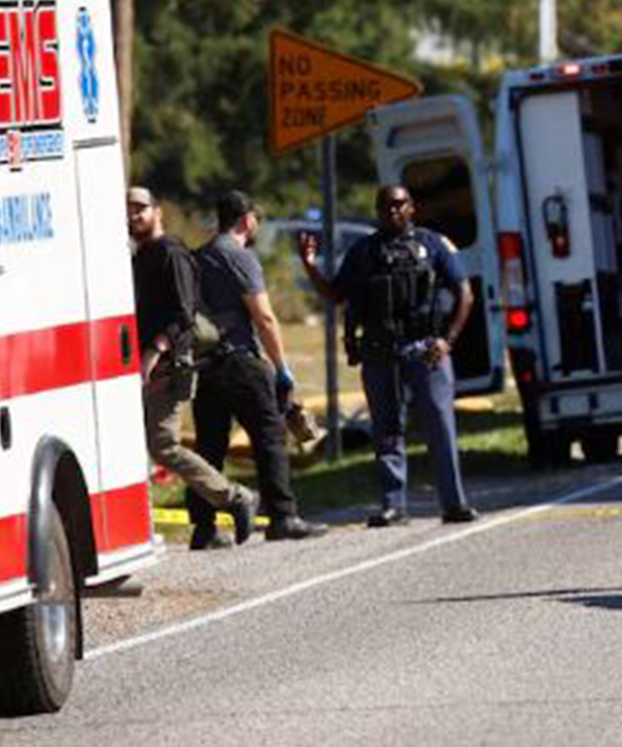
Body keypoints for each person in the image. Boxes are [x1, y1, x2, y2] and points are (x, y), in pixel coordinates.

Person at [297, 184, 478, 527]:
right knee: (387, 432)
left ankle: (454, 503)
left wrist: (446, 341)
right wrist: (309, 266)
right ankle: (393, 506)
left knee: (440, 428)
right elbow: (336, 295)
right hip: (381, 353)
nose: (392, 211)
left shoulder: (433, 245)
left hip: (427, 351)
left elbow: (464, 294)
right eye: (385, 206)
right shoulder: (364, 252)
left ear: (412, 208)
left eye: (398, 205)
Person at [191, 191, 326, 543]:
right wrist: (282, 367)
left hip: (204, 366)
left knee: (209, 448)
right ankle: (283, 517)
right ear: (247, 220)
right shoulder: (240, 257)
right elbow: (264, 317)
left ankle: (204, 528)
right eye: (256, 221)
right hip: (240, 362)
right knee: (269, 437)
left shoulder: (198, 257)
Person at [127, 187, 259, 548]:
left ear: (158, 212)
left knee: (164, 445)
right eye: (129, 210)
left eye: (140, 209)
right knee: (137, 445)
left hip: (169, 365)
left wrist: (155, 350)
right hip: (141, 365)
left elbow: (184, 314)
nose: (134, 215)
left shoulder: (172, 253)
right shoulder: (140, 257)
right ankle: (146, 529)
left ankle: (236, 498)